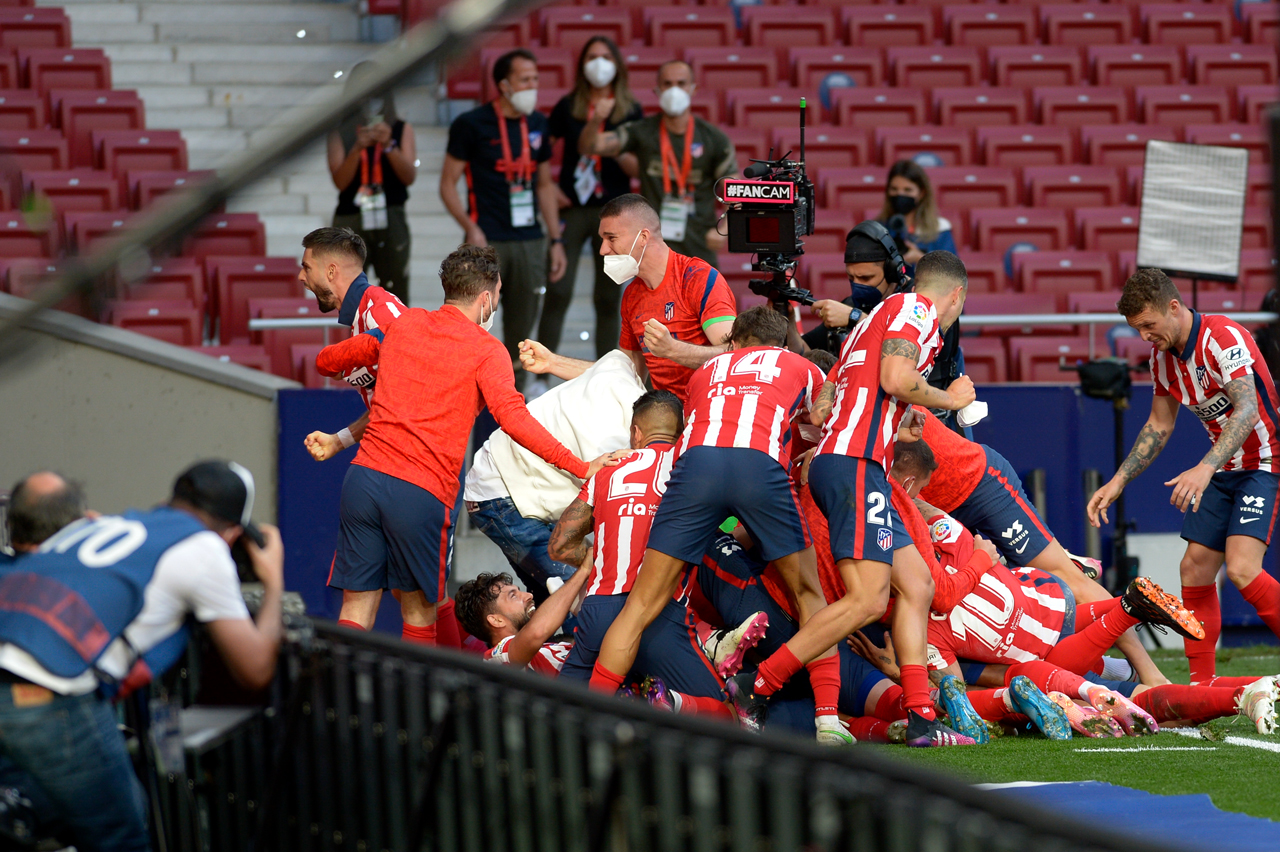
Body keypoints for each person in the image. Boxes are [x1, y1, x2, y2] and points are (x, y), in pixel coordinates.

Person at [313, 244, 618, 645]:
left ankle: (336, 702)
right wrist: (582, 468)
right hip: (419, 492)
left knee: (355, 608)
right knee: (419, 614)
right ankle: (418, 709)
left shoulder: (403, 324)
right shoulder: (487, 350)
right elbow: (514, 420)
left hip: (363, 480)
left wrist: (376, 341)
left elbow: (325, 361)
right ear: (486, 297)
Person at [735, 250, 975, 748]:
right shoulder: (918, 312)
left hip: (848, 461)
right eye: (960, 308)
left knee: (918, 584)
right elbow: (893, 378)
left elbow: (826, 404)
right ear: (955, 295)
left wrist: (897, 414)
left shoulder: (874, 322)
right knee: (867, 599)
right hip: (854, 465)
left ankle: (921, 715)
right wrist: (949, 398)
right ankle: (755, 684)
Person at [583, 308, 853, 741]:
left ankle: (592, 718)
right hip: (758, 466)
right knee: (809, 597)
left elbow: (708, 422)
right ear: (780, 344)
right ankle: (827, 721)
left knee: (639, 607)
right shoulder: (800, 365)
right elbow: (823, 417)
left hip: (696, 469)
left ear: (734, 344)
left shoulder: (705, 370)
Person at [0, 462, 283, 852]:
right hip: (44, 688)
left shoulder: (103, 525)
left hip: (17, 666)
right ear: (233, 531)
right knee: (121, 837)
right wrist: (275, 581)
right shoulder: (204, 546)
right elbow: (255, 669)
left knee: (70, 804)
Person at [1089, 268, 1280, 684]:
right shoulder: (1162, 359)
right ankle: (1200, 688)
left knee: (1242, 569)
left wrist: (1204, 467)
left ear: (1174, 308)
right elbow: (1159, 425)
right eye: (1137, 329)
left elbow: (1246, 411)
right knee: (1193, 569)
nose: (1144, 336)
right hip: (1223, 466)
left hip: (1266, 460)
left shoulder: (1223, 337)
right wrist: (1118, 481)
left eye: (1149, 325)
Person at [910, 405, 1170, 686]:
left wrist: (950, 396)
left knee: (1071, 581)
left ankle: (1150, 672)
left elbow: (900, 379)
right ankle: (1105, 668)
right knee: (963, 615)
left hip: (977, 484)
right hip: (932, 510)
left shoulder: (884, 396)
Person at [547, 390, 732, 719]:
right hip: (660, 614)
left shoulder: (609, 470)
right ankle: (667, 704)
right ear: (683, 429)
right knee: (723, 714)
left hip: (599, 610)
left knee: (566, 714)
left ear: (635, 432)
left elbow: (559, 545)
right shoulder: (690, 467)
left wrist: (599, 557)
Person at [518, 193, 737, 403]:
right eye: (602, 239)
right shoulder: (632, 295)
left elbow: (736, 353)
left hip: (709, 412)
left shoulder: (698, 278)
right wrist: (552, 363)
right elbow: (623, 375)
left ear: (642, 238)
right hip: (665, 419)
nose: (603, 250)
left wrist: (673, 350)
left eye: (611, 238)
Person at [464, 350, 645, 604]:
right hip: (503, 495)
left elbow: (609, 365)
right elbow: (621, 531)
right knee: (583, 594)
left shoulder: (619, 369)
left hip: (499, 478)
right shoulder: (614, 454)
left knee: (543, 599)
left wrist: (553, 361)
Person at [440, 49, 566, 390]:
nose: (533, 86)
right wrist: (470, 226)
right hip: (487, 240)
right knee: (478, 320)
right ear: (504, 85)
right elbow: (447, 184)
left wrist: (555, 240)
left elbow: (543, 184)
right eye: (525, 80)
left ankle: (515, 391)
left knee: (523, 326)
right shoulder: (471, 124)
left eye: (535, 79)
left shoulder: (538, 124)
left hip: (530, 239)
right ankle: (472, 388)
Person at [807, 221, 968, 435]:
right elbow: (803, 351)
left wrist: (855, 319)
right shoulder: (851, 305)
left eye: (866, 278)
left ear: (892, 271)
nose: (858, 285)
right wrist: (785, 319)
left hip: (929, 420)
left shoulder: (924, 302)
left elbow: (906, 367)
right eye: (852, 278)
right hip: (872, 427)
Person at [579, 60, 737, 267]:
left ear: (693, 89)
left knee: (700, 299)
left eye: (681, 83)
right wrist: (596, 119)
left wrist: (723, 229)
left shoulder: (714, 138)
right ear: (657, 90)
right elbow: (589, 146)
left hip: (699, 243)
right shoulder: (642, 131)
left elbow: (735, 189)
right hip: (651, 244)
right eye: (667, 83)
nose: (674, 90)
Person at [547, 36, 643, 358]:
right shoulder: (567, 105)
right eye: (591, 57)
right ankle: (539, 367)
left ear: (616, 65)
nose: (598, 63)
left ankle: (607, 368)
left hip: (614, 211)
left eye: (605, 56)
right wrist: (548, 184)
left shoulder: (630, 109)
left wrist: (607, 142)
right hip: (574, 207)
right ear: (582, 65)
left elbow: (636, 164)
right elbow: (538, 151)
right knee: (558, 290)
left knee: (608, 297)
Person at [295, 228, 407, 461]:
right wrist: (338, 441)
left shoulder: (380, 310)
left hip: (410, 464)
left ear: (331, 271)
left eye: (307, 267)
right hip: (395, 458)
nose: (301, 277)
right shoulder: (361, 318)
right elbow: (388, 405)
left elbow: (412, 397)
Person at [328, 62, 417, 306]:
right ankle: (353, 341)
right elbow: (340, 181)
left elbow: (409, 176)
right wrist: (357, 148)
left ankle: (395, 340)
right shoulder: (341, 131)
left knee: (396, 286)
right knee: (349, 290)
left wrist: (389, 145)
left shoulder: (400, 128)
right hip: (352, 215)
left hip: (390, 213)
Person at [876, 160, 957, 270]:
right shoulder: (877, 229)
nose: (900, 195)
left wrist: (920, 258)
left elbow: (954, 274)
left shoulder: (940, 229)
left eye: (907, 190)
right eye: (894, 189)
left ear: (921, 193)